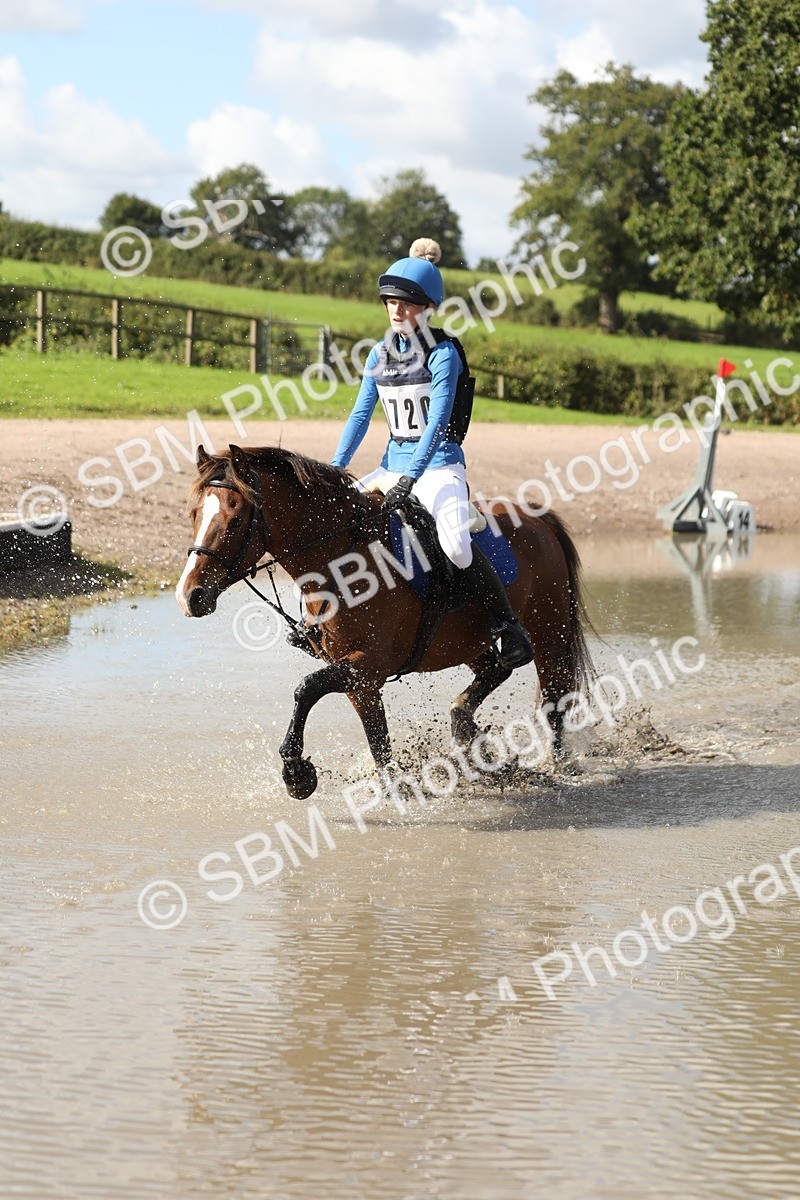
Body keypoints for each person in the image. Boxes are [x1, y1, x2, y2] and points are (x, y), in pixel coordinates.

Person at [321, 237, 533, 671]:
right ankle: (324, 622)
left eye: (407, 303)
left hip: (437, 467)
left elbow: (437, 425)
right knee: (333, 524)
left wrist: (411, 478)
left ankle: (506, 627)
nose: (396, 310)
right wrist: (335, 470)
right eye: (390, 302)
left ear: (428, 307)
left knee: (456, 545)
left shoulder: (443, 354)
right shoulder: (378, 356)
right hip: (389, 467)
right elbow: (361, 416)